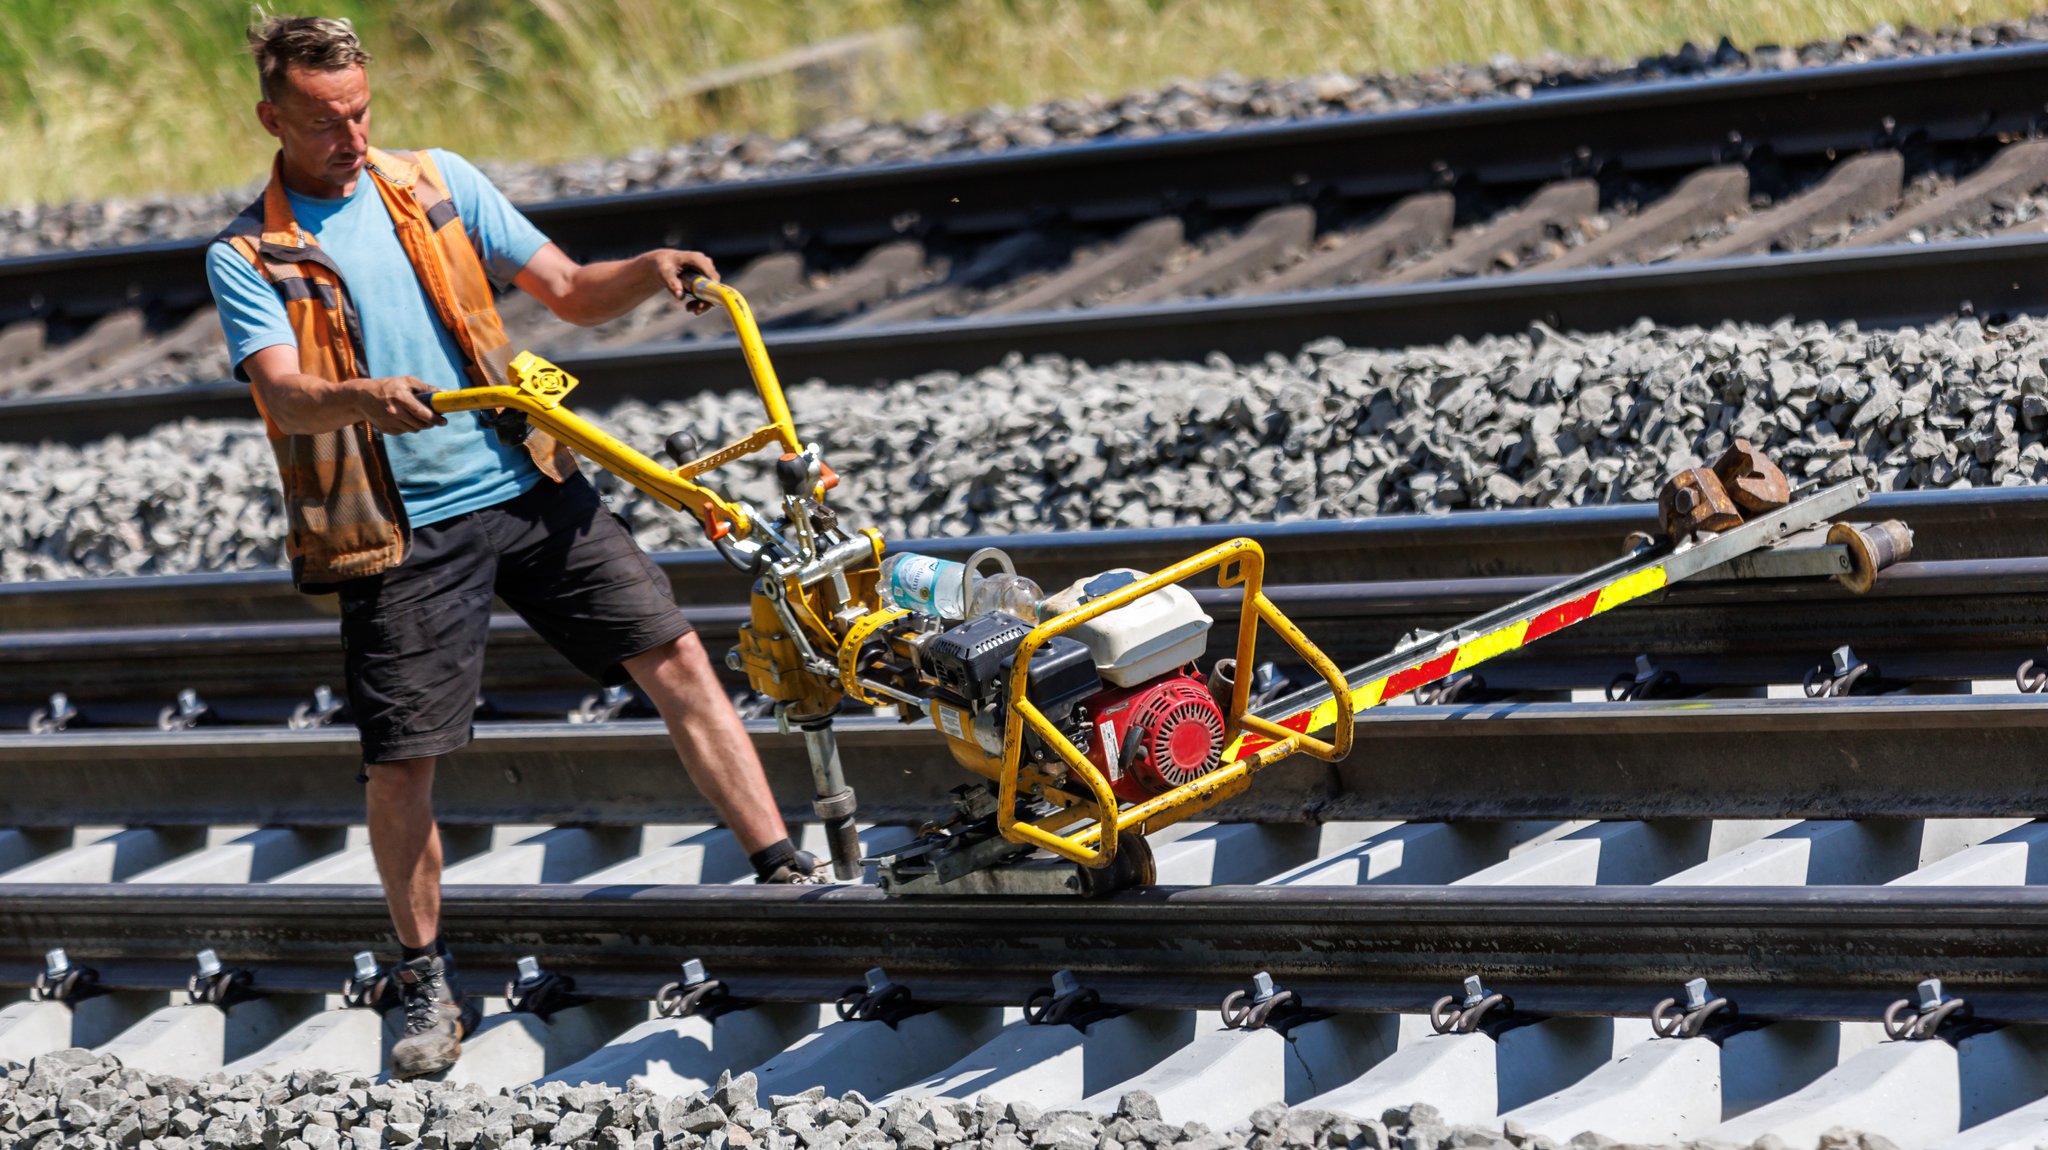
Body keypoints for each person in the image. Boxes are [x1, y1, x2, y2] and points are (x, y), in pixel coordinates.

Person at [204, 14, 823, 1080]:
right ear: (273, 118)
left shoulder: (437, 180)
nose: (351, 137)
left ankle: (781, 870)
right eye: (323, 122)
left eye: (359, 113)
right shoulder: (246, 252)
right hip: (397, 527)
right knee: (403, 760)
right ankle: (423, 978)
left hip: (527, 480)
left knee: (672, 654)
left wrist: (652, 268)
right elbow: (289, 397)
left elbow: (570, 290)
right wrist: (361, 395)